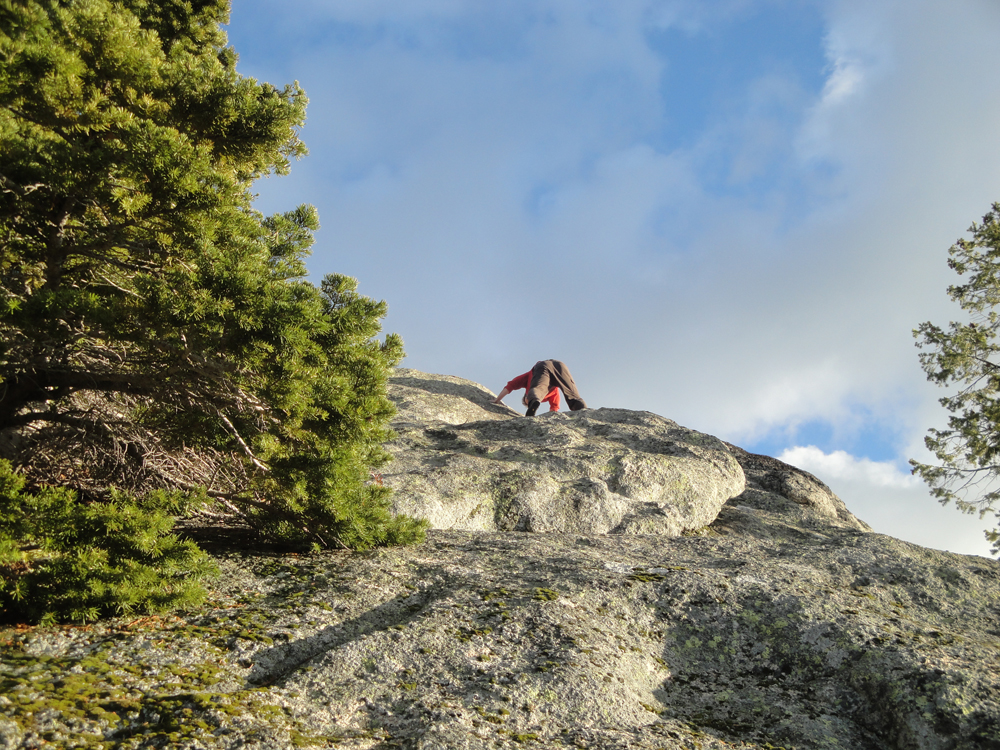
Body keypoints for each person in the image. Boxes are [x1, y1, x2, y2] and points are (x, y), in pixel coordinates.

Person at [492, 360, 588, 416]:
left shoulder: (527, 379)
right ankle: (583, 411)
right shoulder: (552, 395)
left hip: (543, 366)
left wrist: (497, 400)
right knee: (572, 394)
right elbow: (554, 408)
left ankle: (534, 399)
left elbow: (510, 385)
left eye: (527, 400)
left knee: (538, 387)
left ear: (526, 394)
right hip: (560, 366)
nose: (527, 400)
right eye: (529, 403)